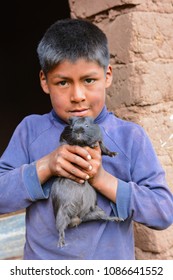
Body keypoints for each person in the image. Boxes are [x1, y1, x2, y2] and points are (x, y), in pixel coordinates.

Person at [0, 18, 173, 260]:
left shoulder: (130, 137)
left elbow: (163, 212)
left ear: (108, 75)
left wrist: (102, 180)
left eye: (89, 80)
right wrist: (45, 167)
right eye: (63, 82)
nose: (77, 96)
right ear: (44, 81)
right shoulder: (29, 130)